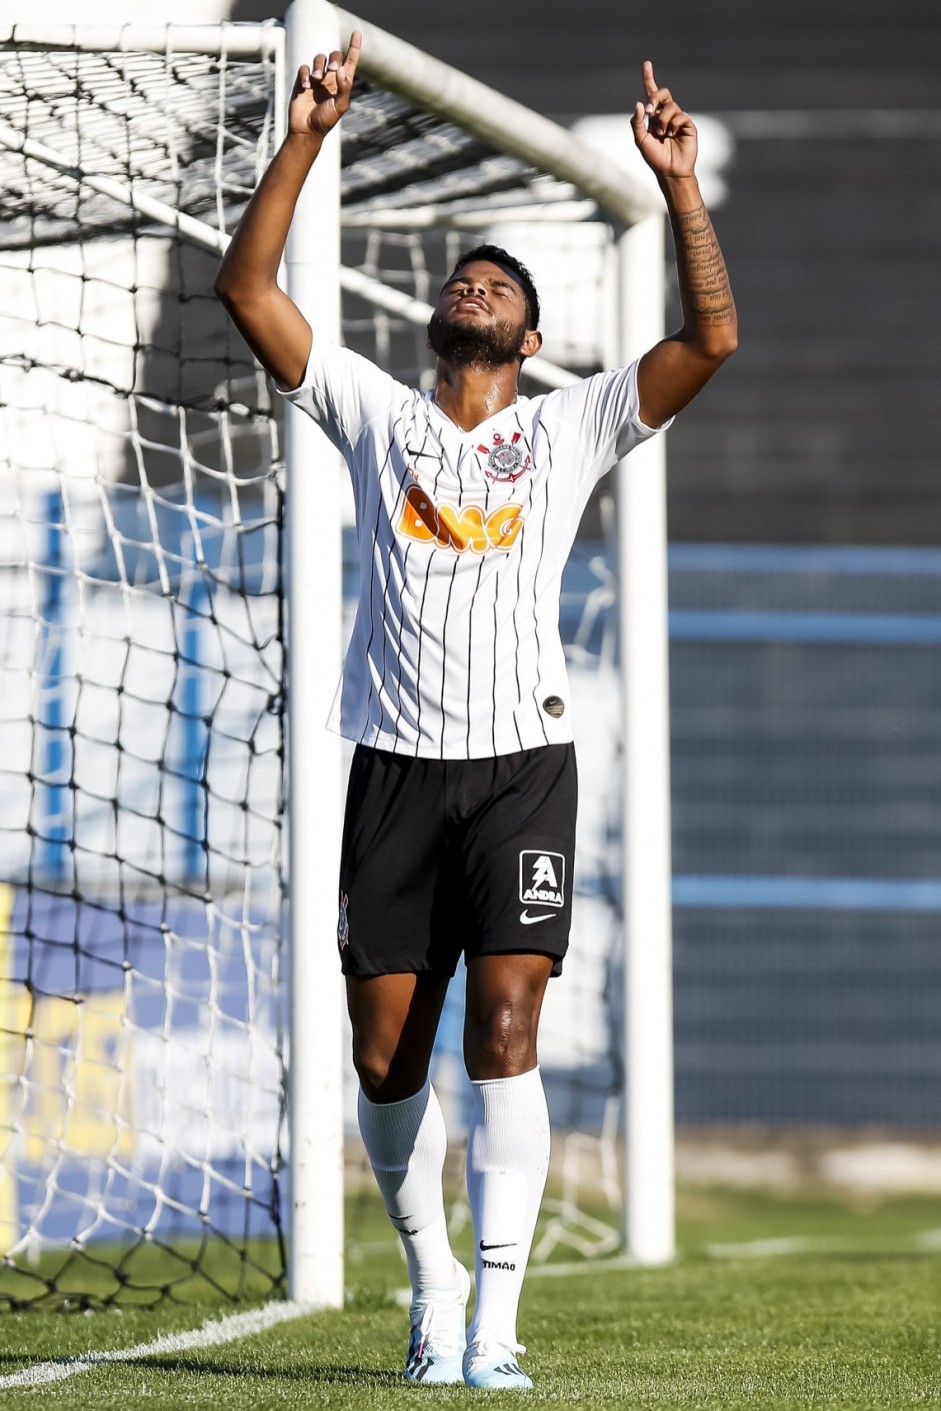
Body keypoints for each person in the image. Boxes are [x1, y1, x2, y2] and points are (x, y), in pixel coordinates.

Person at [215, 29, 736, 1391]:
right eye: (466, 274)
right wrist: (308, 134)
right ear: (439, 317)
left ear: (533, 335)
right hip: (391, 770)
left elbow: (711, 339)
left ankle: (497, 1321)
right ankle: (431, 1285)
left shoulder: (569, 425)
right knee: (384, 1057)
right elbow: (246, 286)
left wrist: (679, 189)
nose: (478, 283)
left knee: (506, 1025)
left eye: (502, 281)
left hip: (521, 772)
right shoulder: (375, 414)